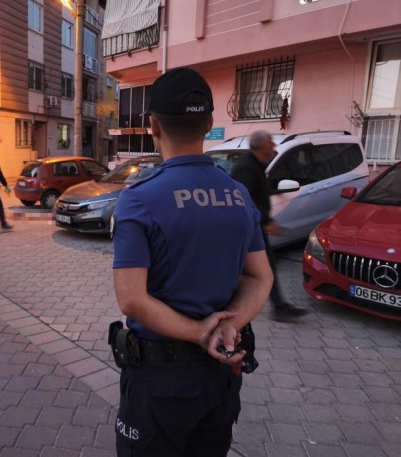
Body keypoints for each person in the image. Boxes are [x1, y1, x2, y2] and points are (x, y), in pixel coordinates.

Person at [111, 67, 273, 456]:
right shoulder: (238, 195)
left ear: (153, 126)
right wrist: (229, 325)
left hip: (160, 382)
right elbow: (260, 277)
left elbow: (132, 299)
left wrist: (200, 332)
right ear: (210, 123)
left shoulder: (139, 199)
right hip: (221, 375)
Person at [231, 130, 308, 321]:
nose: (274, 146)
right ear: (262, 146)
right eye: (271, 143)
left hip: (254, 225)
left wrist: (272, 192)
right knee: (261, 267)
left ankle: (278, 306)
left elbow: (257, 190)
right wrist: (266, 221)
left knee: (262, 266)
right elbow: (246, 200)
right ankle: (277, 307)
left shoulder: (256, 164)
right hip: (250, 227)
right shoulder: (247, 167)